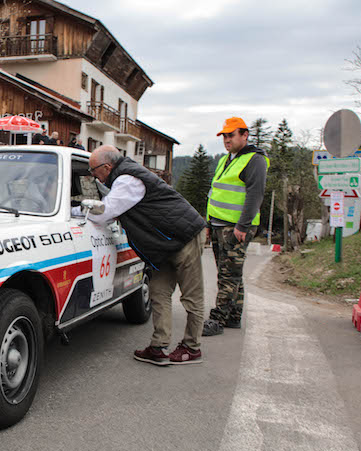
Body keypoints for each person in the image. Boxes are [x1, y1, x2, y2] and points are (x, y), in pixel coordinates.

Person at [75, 145, 207, 366]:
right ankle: (159, 347)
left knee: (191, 296)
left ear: (107, 167)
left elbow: (105, 212)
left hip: (184, 238)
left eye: (94, 170)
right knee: (159, 292)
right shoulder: (122, 178)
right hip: (162, 245)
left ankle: (192, 348)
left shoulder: (127, 180)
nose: (93, 176)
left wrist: (75, 211)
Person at [202, 117, 269, 336]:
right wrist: (209, 222)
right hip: (220, 224)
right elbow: (216, 192)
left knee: (228, 274)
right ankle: (233, 316)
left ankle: (217, 319)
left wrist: (242, 225)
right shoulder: (226, 160)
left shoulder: (254, 159)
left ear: (244, 135)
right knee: (231, 273)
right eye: (224, 136)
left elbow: (255, 194)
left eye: (231, 135)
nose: (227, 140)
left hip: (236, 226)